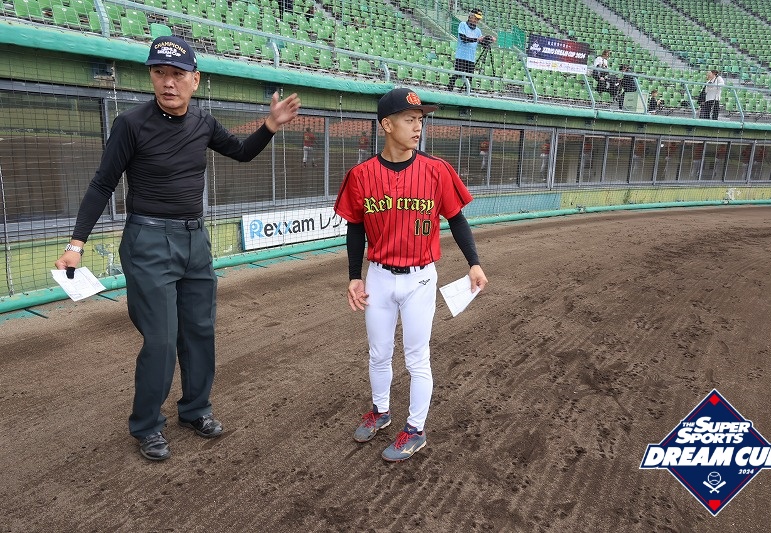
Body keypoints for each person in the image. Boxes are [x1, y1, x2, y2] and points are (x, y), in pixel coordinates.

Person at [53, 36, 301, 461]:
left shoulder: (203, 122)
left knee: (200, 330)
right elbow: (101, 184)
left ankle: (196, 409)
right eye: (160, 73)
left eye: (178, 74)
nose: (169, 83)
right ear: (152, 77)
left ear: (195, 80)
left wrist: (270, 126)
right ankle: (147, 425)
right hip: (148, 241)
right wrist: (76, 244)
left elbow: (242, 152)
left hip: (194, 240)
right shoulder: (131, 124)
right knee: (162, 340)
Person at [333, 88, 488, 462]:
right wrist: (355, 275)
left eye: (420, 119)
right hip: (379, 276)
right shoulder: (361, 175)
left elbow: (457, 219)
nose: (418, 126)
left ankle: (415, 431)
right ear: (387, 125)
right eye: (409, 119)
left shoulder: (436, 170)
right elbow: (355, 227)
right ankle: (381, 411)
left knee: (417, 358)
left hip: (420, 278)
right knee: (378, 353)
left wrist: (474, 262)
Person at [447, 8, 494, 91]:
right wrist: (477, 39)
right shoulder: (462, 25)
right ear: (470, 17)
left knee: (470, 77)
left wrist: (488, 40)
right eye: (475, 18)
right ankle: (450, 89)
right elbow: (463, 39)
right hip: (461, 56)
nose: (476, 21)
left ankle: (467, 91)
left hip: (471, 58)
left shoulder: (478, 31)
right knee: (457, 74)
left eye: (478, 19)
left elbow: (482, 43)